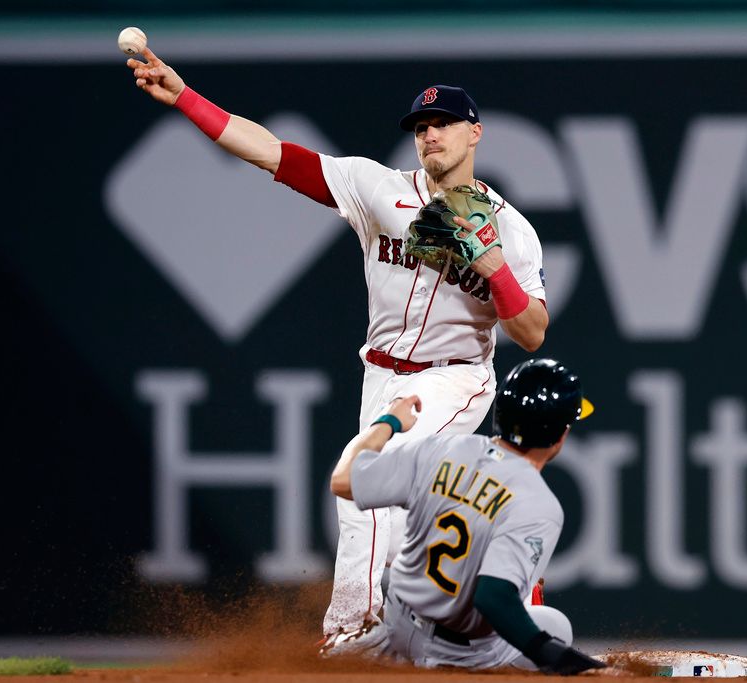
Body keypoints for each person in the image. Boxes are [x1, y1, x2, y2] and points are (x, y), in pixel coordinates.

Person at [126, 50, 550, 648]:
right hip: (381, 375)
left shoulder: (511, 229)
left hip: (455, 377)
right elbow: (271, 152)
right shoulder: (377, 189)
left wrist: (493, 267)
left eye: (443, 124)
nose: (429, 134)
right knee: (387, 503)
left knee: (366, 475)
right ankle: (472, 616)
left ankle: (355, 631)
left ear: (474, 132)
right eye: (421, 127)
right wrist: (185, 97)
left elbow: (531, 332)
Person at [328, 359, 604, 674]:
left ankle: (367, 644)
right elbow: (493, 599)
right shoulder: (540, 504)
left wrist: (388, 421)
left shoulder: (442, 448)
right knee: (553, 627)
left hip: (398, 627)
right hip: (458, 654)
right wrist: (565, 660)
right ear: (560, 437)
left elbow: (342, 480)